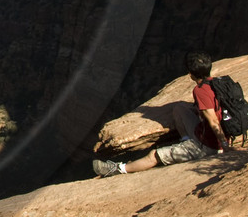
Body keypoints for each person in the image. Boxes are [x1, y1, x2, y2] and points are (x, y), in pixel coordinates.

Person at [92, 53, 230, 176]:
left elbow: (213, 121)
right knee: (179, 109)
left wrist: (224, 146)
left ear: (191, 74)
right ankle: (185, 141)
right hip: (205, 136)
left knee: (153, 156)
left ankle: (118, 169)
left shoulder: (200, 91)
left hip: (207, 147)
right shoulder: (217, 84)